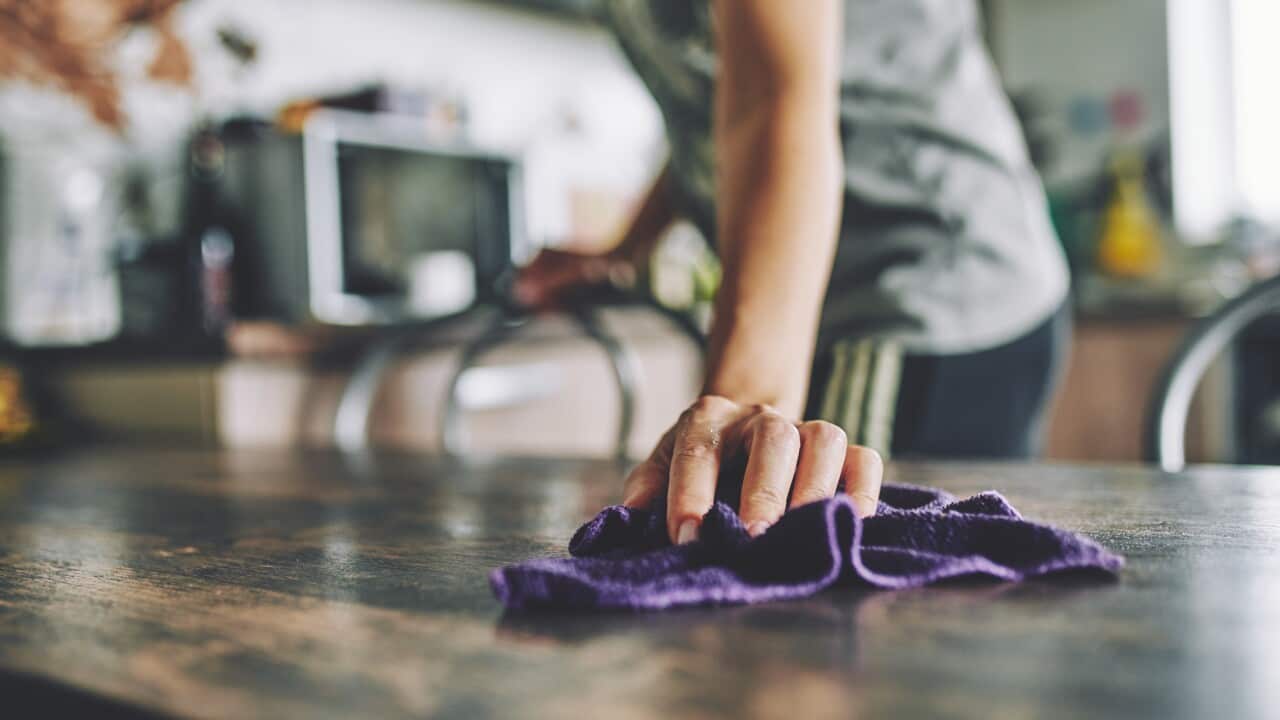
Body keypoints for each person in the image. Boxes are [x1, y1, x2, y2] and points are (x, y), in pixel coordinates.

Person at [515, 0, 1069, 546]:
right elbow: (718, 116)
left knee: (821, 563)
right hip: (858, 299)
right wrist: (627, 248)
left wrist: (738, 418)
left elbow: (771, 100)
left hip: (928, 282)